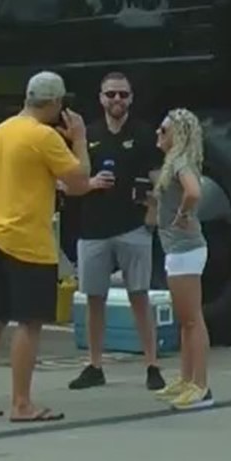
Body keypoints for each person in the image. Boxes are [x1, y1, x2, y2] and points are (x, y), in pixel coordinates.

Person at [0, 72, 102, 423]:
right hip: (28, 240)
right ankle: (22, 402)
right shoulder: (43, 136)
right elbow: (80, 181)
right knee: (29, 323)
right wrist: (80, 140)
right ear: (55, 103)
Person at [70, 70, 168, 394]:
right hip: (94, 227)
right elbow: (68, 181)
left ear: (131, 98)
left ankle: (152, 364)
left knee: (139, 296)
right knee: (94, 298)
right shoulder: (89, 136)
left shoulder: (143, 134)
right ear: (100, 98)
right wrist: (90, 183)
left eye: (123, 94)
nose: (117, 100)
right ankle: (95, 365)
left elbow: (158, 177)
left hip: (133, 227)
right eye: (111, 94)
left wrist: (156, 203)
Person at [152, 108, 213, 410]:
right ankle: (187, 378)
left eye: (164, 130)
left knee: (192, 319)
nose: (158, 135)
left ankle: (200, 385)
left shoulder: (180, 161)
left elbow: (193, 191)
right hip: (177, 249)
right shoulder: (173, 162)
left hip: (185, 249)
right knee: (185, 321)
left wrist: (183, 215)